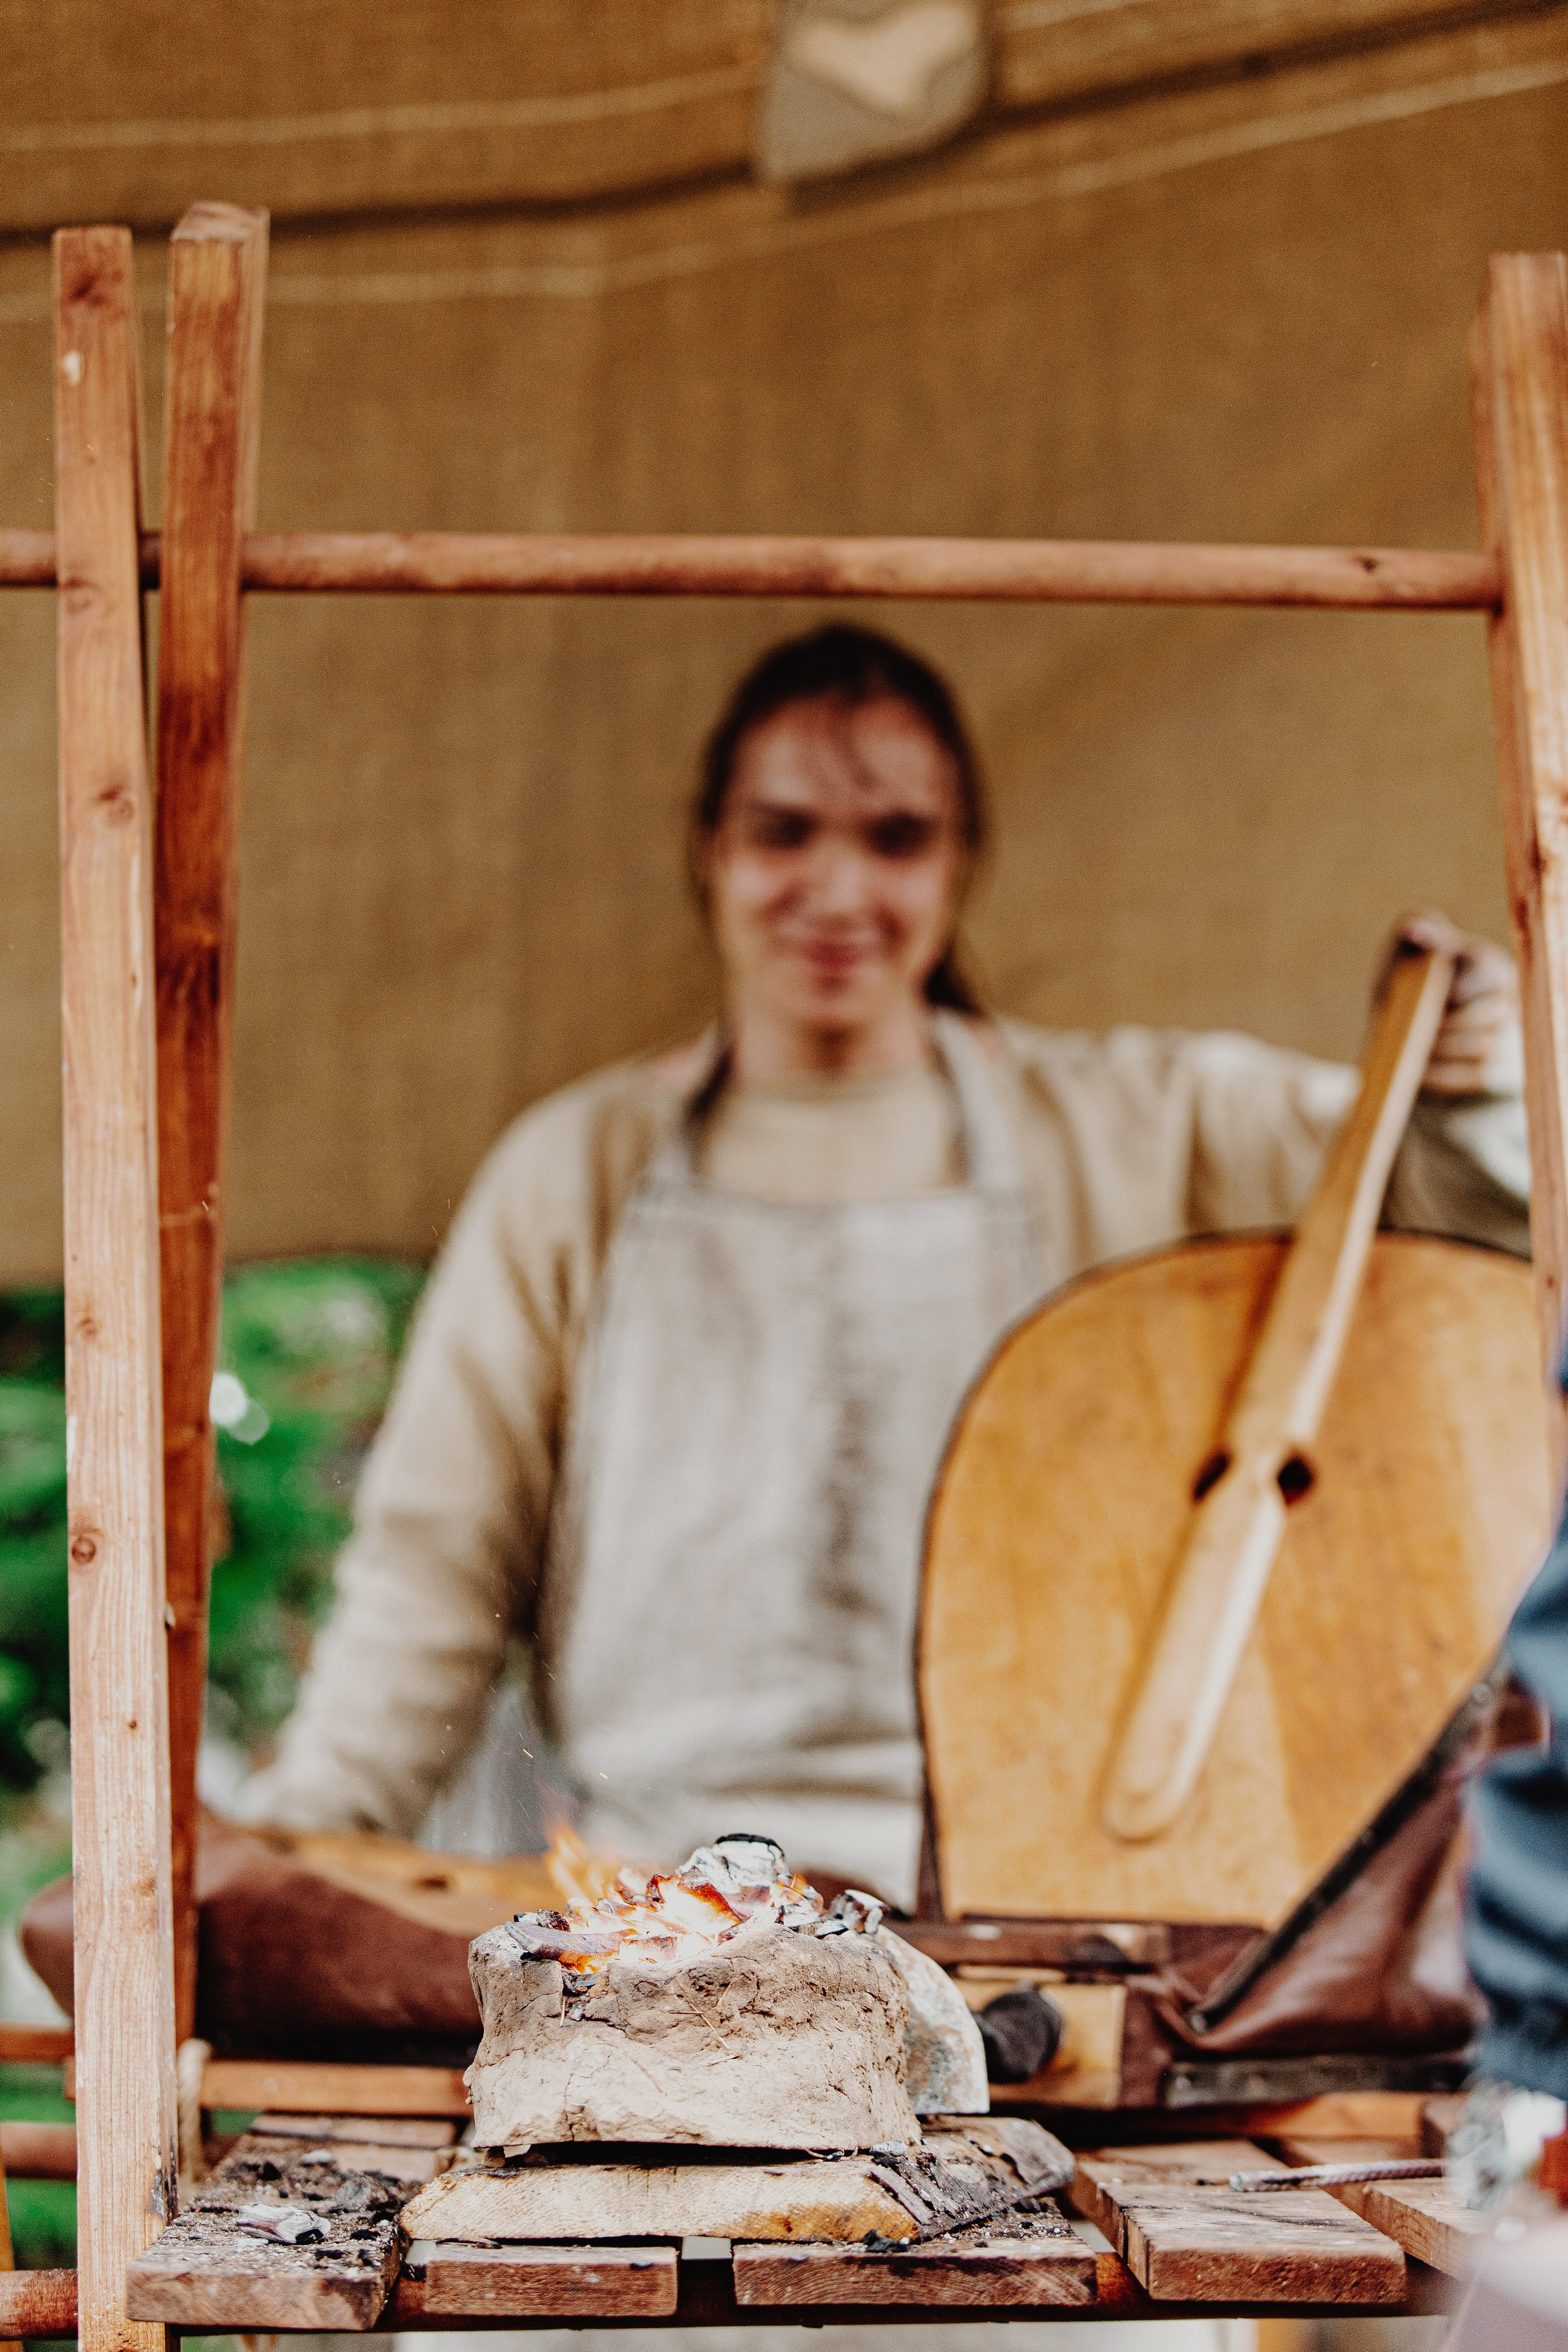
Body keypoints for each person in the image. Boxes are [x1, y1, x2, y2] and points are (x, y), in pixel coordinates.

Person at [236, 623, 1529, 1914]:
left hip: (1050, 1912)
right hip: (653, 1918)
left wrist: (1463, 1083)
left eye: (896, 838)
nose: (840, 890)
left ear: (961, 863)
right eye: (783, 833)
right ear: (708, 852)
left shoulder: (1138, 1122)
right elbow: (429, 1580)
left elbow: (1448, 1227)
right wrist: (300, 1850)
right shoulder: (569, 1173)